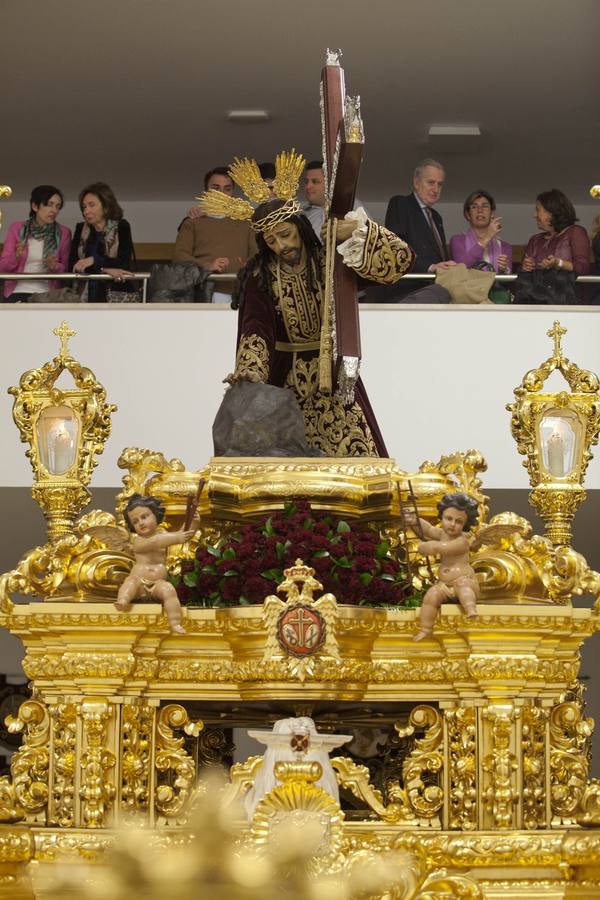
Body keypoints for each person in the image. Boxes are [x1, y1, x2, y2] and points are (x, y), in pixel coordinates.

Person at [201, 151, 413, 457]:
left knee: (359, 466)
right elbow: (255, 330)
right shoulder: (260, 275)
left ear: (299, 227)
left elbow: (399, 261)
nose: (282, 246)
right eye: (272, 241)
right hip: (282, 383)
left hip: (333, 377)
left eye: (286, 235)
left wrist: (357, 231)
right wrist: (249, 380)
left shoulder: (331, 261)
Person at [115, 494, 198, 635]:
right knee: (129, 583)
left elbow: (184, 534)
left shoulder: (164, 535)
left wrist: (193, 522)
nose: (140, 523)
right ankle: (122, 601)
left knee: (169, 590)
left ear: (155, 515)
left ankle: (175, 622)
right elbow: (156, 541)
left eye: (144, 517)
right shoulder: (139, 541)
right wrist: (177, 537)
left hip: (157, 584)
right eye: (135, 521)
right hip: (139, 583)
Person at [174, 166, 256, 302]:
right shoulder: (192, 222)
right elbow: (179, 257)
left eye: (227, 189)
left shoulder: (247, 223)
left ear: (232, 193)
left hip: (241, 292)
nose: (221, 193)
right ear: (206, 192)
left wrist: (248, 265)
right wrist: (207, 265)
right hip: (204, 292)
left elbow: (256, 255)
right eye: (215, 188)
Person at [410, 492, 480, 641]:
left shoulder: (462, 541)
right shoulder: (442, 533)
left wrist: (429, 547)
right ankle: (425, 628)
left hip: (463, 580)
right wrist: (414, 520)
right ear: (441, 517)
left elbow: (443, 548)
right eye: (449, 518)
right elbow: (428, 530)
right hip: (445, 585)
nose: (452, 524)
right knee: (430, 597)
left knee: (464, 589)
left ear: (465, 524)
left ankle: (470, 609)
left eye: (459, 521)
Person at [385, 159, 456, 302]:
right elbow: (395, 249)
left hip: (434, 291)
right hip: (407, 291)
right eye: (431, 182)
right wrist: (430, 267)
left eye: (440, 184)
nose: (436, 189)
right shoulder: (401, 204)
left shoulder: (436, 218)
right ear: (416, 183)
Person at [516, 189, 591, 304]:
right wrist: (525, 267)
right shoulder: (535, 240)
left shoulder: (575, 232)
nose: (534, 215)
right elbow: (522, 275)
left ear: (551, 212)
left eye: (538, 210)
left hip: (567, 303)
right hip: (535, 303)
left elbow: (583, 267)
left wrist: (559, 263)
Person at [0, 185, 71, 301]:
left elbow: (65, 270)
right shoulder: (17, 228)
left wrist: (54, 266)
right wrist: (16, 256)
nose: (54, 210)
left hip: (48, 295)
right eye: (49, 204)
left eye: (57, 206)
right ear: (35, 206)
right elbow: (2, 267)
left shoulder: (64, 233)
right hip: (18, 291)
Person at [69, 182, 134, 302]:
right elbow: (74, 264)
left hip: (114, 295)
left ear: (106, 206)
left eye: (91, 205)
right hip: (83, 295)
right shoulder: (80, 229)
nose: (86, 211)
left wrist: (93, 260)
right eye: (84, 207)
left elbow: (123, 263)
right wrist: (104, 269)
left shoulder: (121, 226)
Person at [301, 159, 367, 241]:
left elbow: (370, 235)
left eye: (315, 181)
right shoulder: (301, 215)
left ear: (330, 183)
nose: (308, 186)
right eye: (306, 181)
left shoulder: (352, 204)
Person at [449, 190, 512, 273]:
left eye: (485, 206)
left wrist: (503, 270)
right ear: (468, 215)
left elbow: (509, 283)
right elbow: (462, 267)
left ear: (492, 213)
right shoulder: (457, 240)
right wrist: (487, 237)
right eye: (474, 207)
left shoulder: (505, 246)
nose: (480, 210)